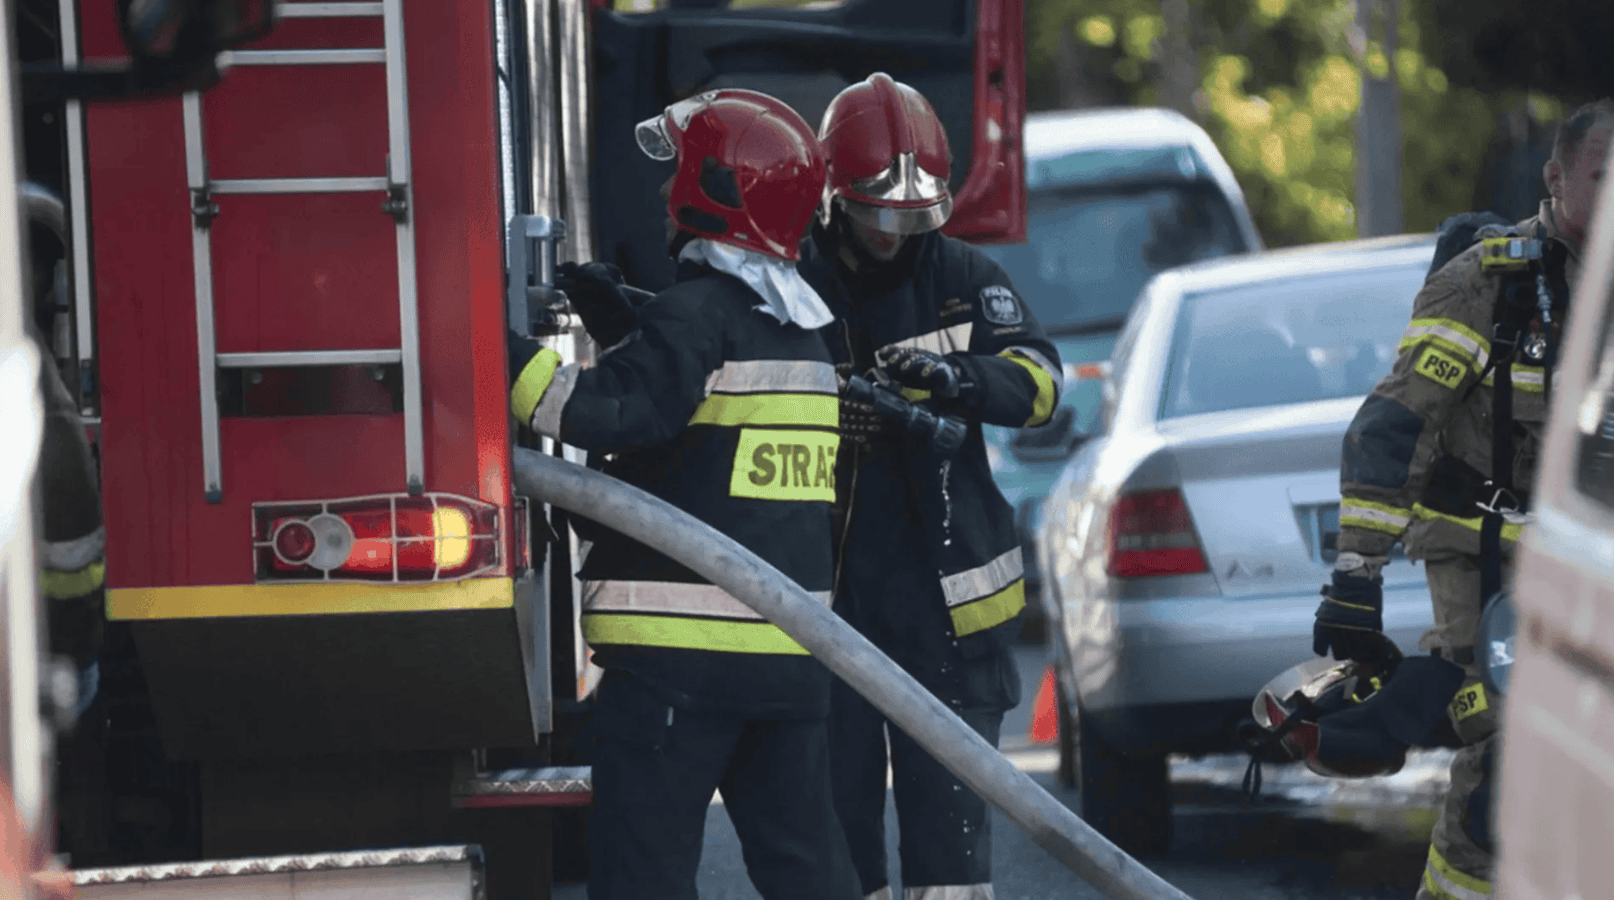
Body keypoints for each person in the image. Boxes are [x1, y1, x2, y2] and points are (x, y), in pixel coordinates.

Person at [507, 88, 860, 900]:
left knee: (644, 875)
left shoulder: (697, 315)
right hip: (788, 661)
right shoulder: (803, 331)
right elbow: (704, 423)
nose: (668, 196)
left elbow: (611, 411)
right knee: (807, 871)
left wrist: (498, 349)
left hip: (680, 669)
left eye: (682, 176)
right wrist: (628, 322)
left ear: (712, 189)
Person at [1318, 98, 1614, 900]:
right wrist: (1355, 576)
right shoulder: (1491, 283)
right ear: (1557, 178)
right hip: (1492, 558)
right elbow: (1394, 428)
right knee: (1505, 760)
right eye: (1604, 174)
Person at [796, 73, 1062, 900]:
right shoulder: (790, 285)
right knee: (837, 848)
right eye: (877, 211)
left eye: (911, 213)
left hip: (948, 618)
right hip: (825, 610)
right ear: (836, 195)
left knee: (950, 855)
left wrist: (955, 377)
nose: (893, 231)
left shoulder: (962, 276)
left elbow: (1042, 386)